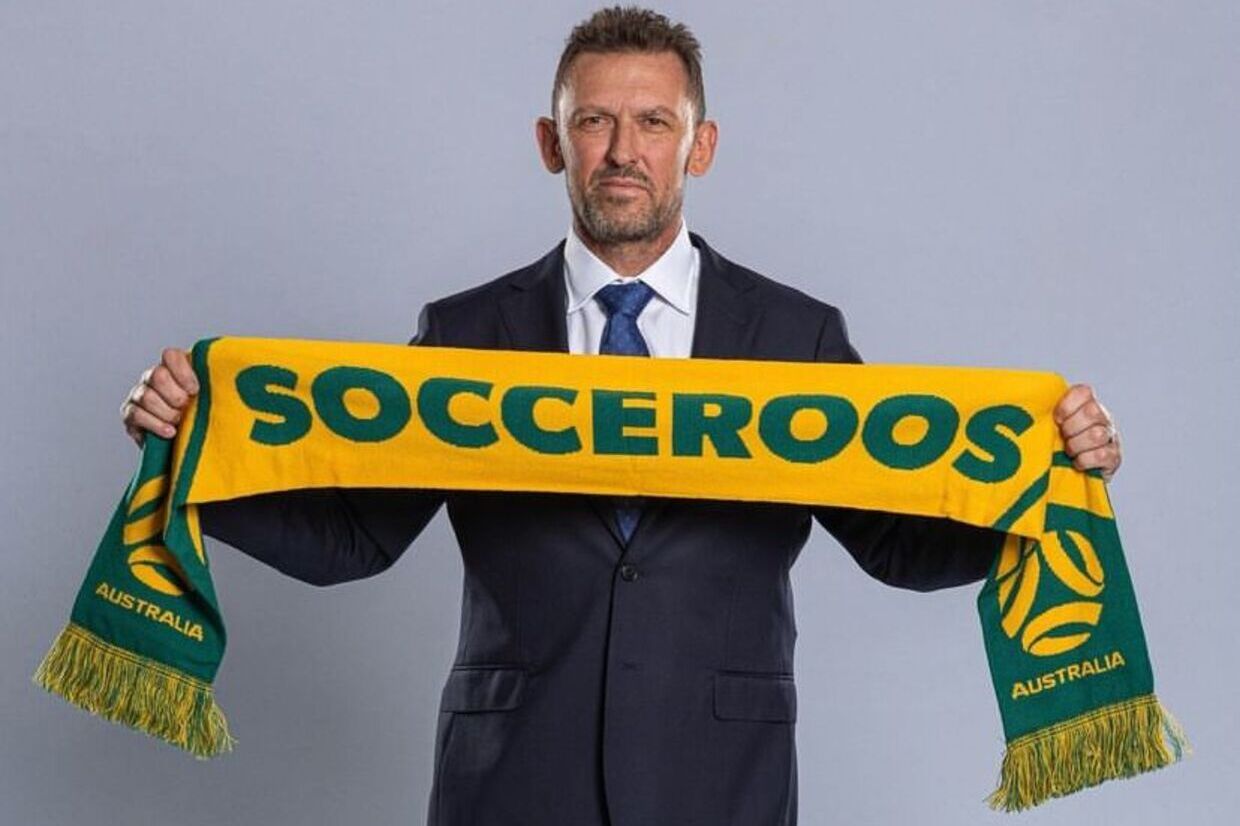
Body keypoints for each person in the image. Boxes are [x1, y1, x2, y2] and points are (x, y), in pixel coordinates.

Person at [117, 7, 1122, 825]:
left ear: (701, 146)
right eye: (594, 121)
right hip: (512, 776)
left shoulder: (795, 335)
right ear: (551, 143)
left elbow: (895, 542)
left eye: (653, 123)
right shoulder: (466, 334)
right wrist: (192, 452)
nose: (623, 152)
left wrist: (1044, 478)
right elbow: (355, 538)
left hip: (720, 777)